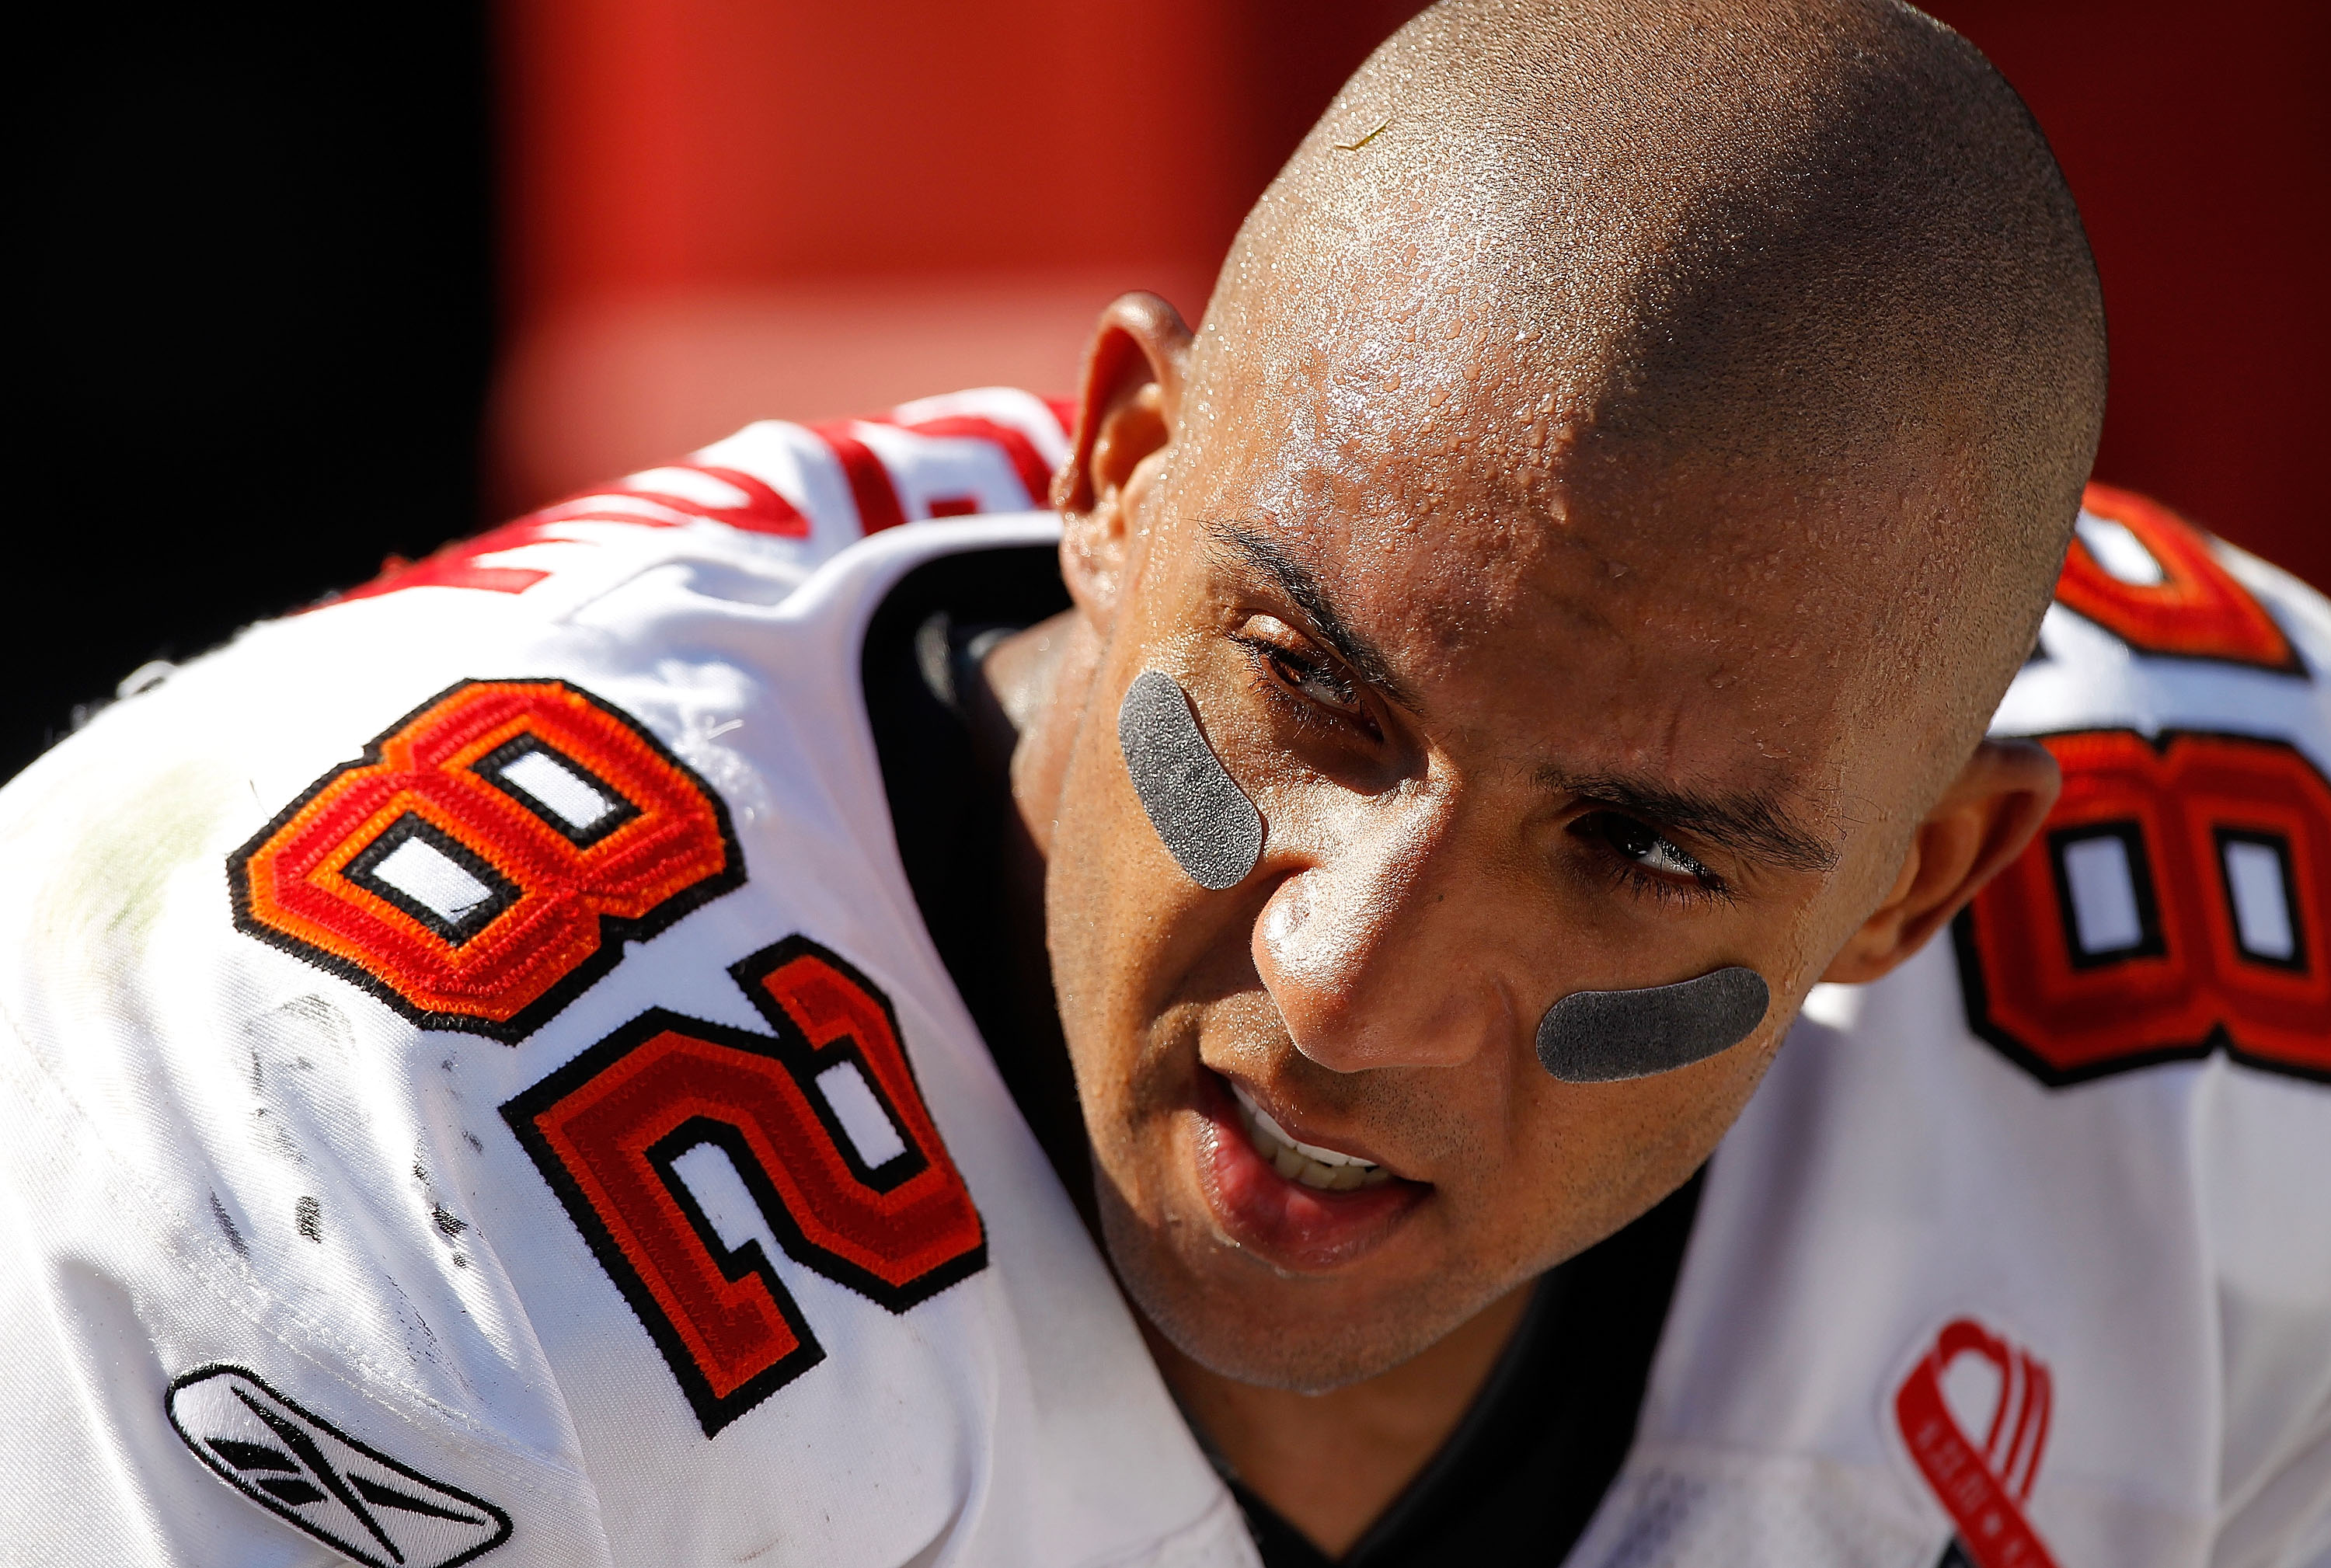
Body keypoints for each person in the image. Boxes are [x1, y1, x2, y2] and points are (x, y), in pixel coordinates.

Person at [1, 2, 2323, 1566]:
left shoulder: (2245, 1024)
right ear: (1121, 470)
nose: (1344, 984)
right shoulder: (347, 1114)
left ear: (1921, 883)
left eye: (1633, 845)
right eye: (1315, 690)